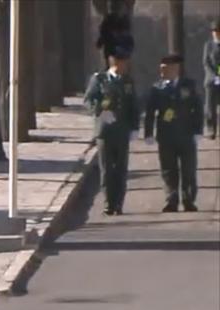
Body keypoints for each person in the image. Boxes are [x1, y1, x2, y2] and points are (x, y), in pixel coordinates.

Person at [143, 54, 204, 213]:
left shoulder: (189, 85)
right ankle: (171, 199)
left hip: (186, 134)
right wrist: (148, 132)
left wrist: (198, 130)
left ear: (175, 68)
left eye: (166, 68)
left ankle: (188, 199)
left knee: (188, 169)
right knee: (168, 170)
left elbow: (197, 108)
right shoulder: (157, 88)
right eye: (161, 68)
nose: (162, 71)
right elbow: (150, 111)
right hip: (166, 135)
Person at [85, 47, 140, 216]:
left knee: (121, 169)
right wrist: (100, 112)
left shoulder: (128, 81)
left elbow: (133, 105)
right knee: (107, 169)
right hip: (105, 131)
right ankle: (109, 203)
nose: (125, 65)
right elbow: (89, 100)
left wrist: (135, 127)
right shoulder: (99, 79)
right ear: (114, 62)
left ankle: (119, 204)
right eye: (122, 62)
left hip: (122, 130)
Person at [205, 19, 220, 140]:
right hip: (211, 80)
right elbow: (206, 63)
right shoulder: (208, 45)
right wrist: (214, 75)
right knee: (211, 106)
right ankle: (211, 129)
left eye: (218, 31)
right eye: (214, 31)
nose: (216, 33)